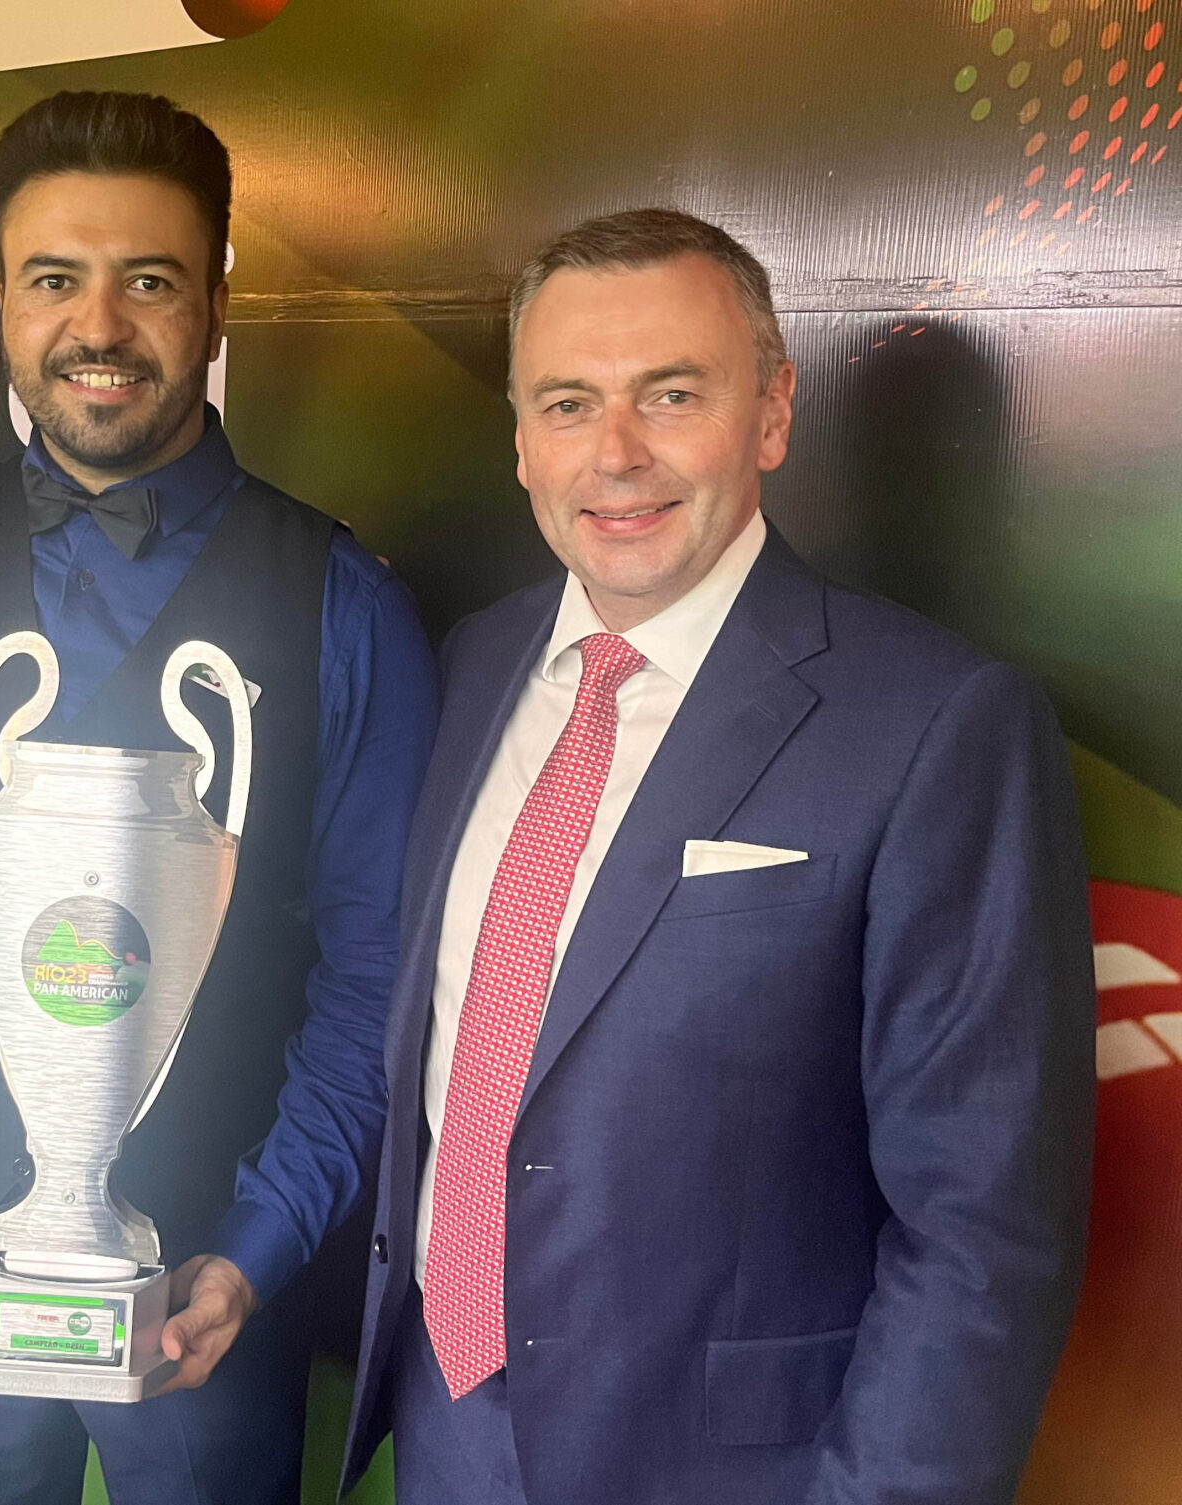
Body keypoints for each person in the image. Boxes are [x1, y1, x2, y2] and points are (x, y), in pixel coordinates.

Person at [342, 208, 1095, 1504]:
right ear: (519, 440)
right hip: (445, 1424)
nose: (616, 454)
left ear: (772, 413)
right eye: (569, 403)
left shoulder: (938, 724)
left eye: (671, 393)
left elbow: (980, 1235)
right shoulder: (469, 664)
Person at [0, 91, 438, 1504]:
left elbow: (377, 980)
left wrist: (257, 1244)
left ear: (219, 306)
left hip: (207, 1280)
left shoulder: (343, 607)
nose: (98, 326)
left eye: (151, 281)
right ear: (0, 299)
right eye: (54, 278)